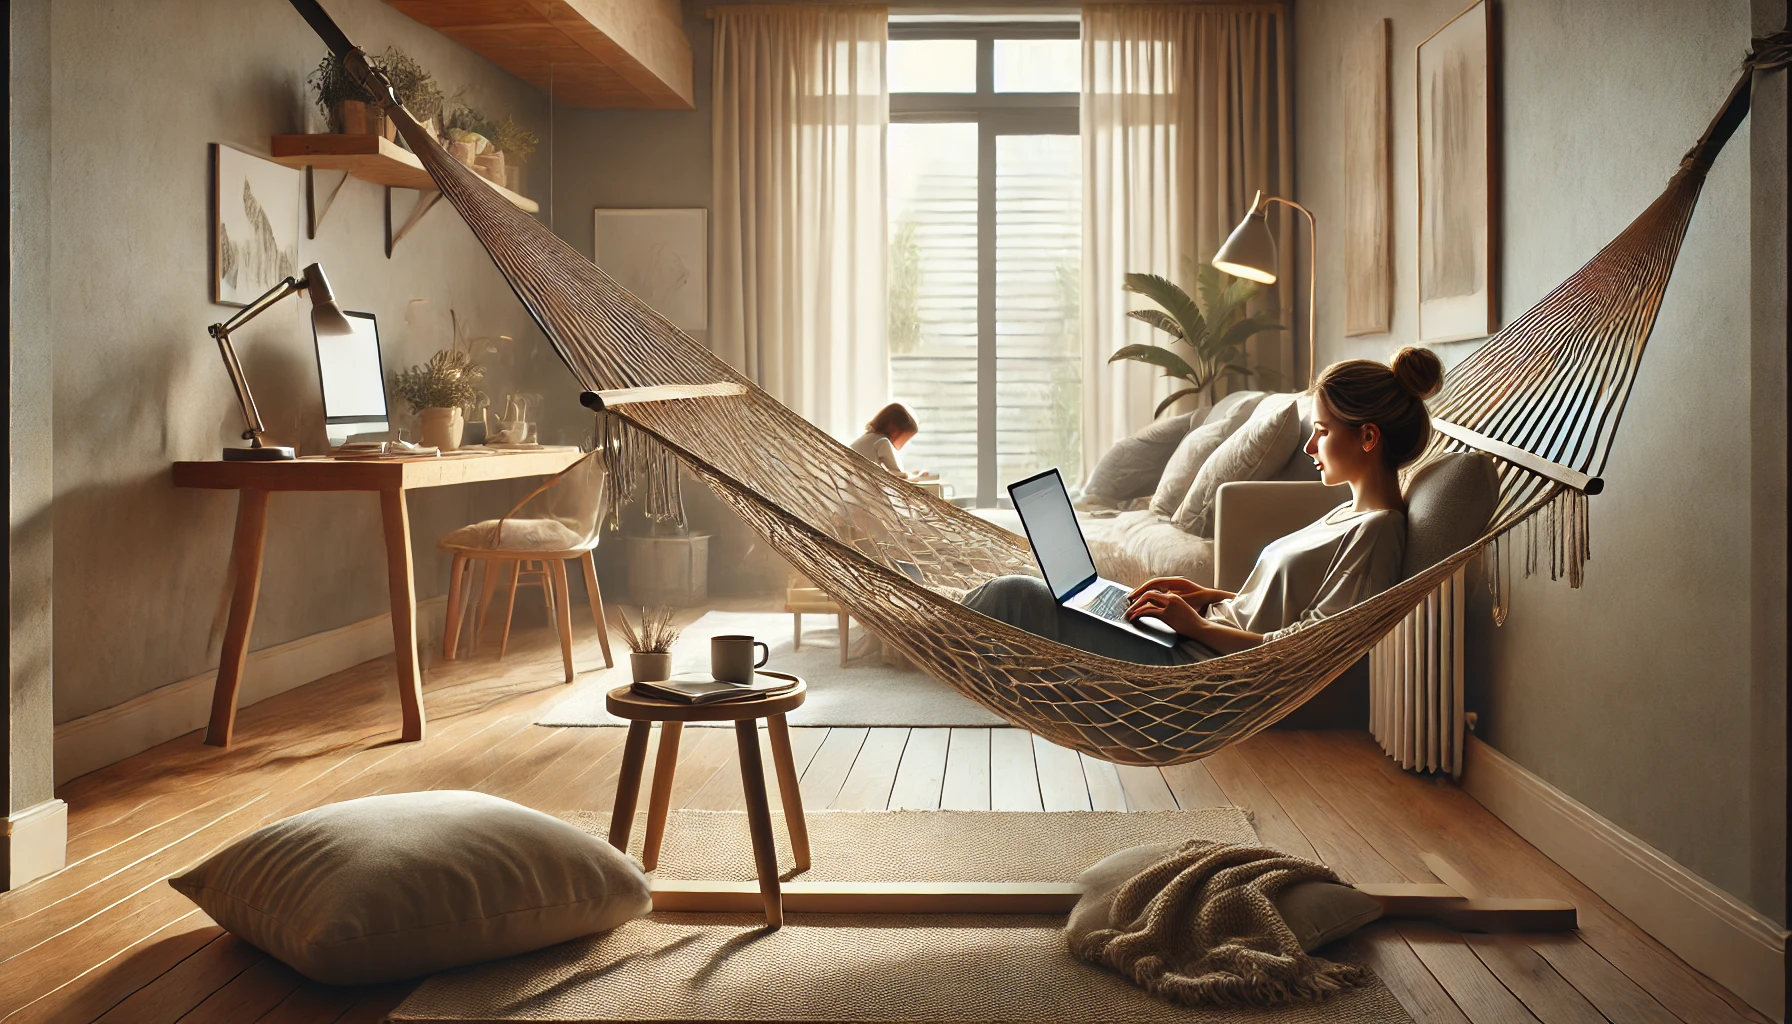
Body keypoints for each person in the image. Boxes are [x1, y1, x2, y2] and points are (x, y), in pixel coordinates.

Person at [963, 347, 1445, 665]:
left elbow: (1305, 651)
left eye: (1321, 431)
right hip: (1194, 635)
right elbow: (1272, 609)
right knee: (1032, 598)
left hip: (1196, 669)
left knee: (1016, 597)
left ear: (1367, 437)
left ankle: (933, 639)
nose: (1309, 446)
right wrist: (1206, 596)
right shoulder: (1348, 513)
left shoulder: (1377, 532)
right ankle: (939, 638)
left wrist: (1194, 625)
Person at [850, 403, 921, 478]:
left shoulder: (867, 438)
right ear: (895, 430)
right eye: (906, 438)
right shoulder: (882, 442)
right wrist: (916, 476)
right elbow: (899, 474)